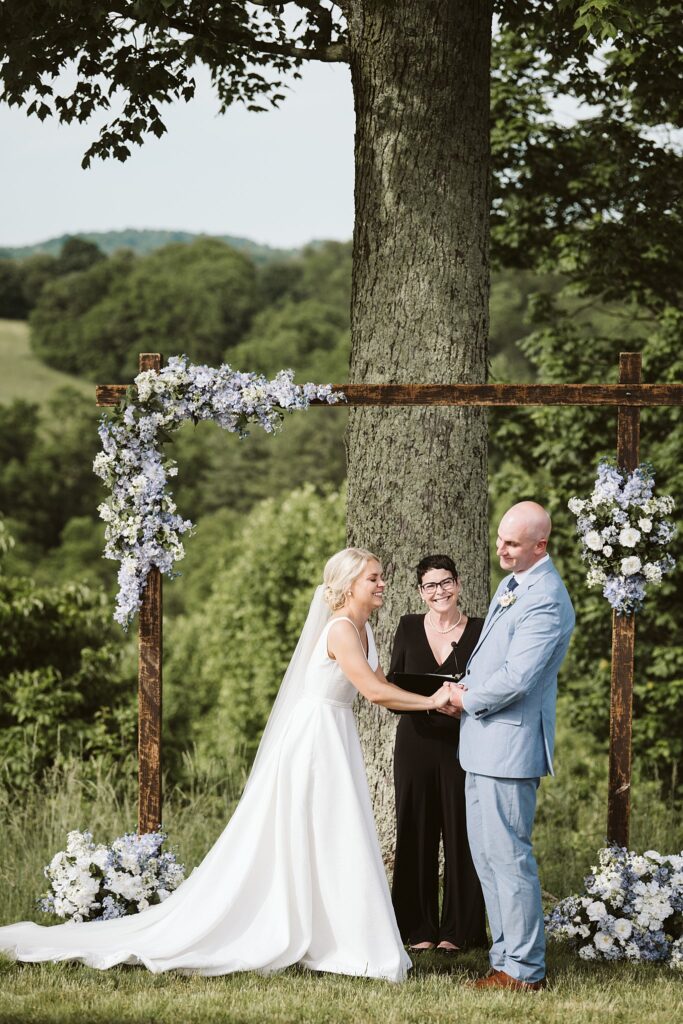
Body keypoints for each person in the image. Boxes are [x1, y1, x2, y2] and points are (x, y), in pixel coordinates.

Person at [0, 548, 452, 982]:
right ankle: (311, 932)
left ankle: (334, 934)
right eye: (373, 578)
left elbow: (379, 684)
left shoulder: (366, 628)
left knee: (332, 832)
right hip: (315, 740)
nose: (382, 584)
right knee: (318, 829)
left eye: (379, 577)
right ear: (349, 585)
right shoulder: (340, 630)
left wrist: (431, 690)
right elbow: (374, 692)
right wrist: (433, 700)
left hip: (336, 734)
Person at [444, 502, 575, 991]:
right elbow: (492, 660)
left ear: (540, 545)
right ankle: (504, 958)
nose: (501, 549)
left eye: (512, 544)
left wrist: (466, 698)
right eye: (500, 539)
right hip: (480, 745)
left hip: (509, 746)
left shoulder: (546, 598)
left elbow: (519, 678)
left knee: (510, 859)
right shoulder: (512, 583)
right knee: (487, 858)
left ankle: (526, 970)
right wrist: (461, 685)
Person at [388, 555, 486, 953]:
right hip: (415, 744)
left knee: (463, 833)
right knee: (415, 831)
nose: (439, 592)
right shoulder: (408, 627)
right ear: (420, 592)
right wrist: (428, 701)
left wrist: (463, 702)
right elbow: (394, 687)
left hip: (463, 744)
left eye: (445, 583)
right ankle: (417, 929)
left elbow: (491, 682)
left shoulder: (479, 629)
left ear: (458, 584)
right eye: (430, 586)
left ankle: (460, 931)